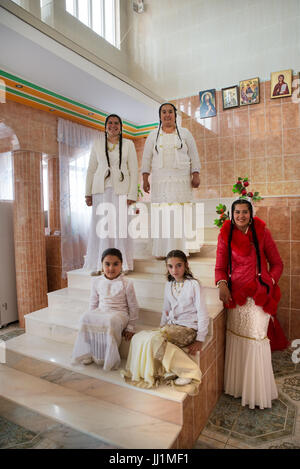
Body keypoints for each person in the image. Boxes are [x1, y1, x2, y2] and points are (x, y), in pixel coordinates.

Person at [215, 199, 289, 409]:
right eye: (237, 212)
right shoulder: (225, 235)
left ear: (250, 213)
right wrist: (221, 284)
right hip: (236, 294)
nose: (241, 216)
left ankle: (257, 393)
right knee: (238, 338)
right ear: (232, 214)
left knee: (256, 338)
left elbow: (277, 263)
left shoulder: (262, 232)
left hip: (259, 294)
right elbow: (220, 267)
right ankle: (238, 388)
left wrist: (269, 281)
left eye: (245, 212)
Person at [121, 250, 209, 394]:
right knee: (140, 338)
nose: (174, 270)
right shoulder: (169, 285)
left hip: (188, 329)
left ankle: (188, 371)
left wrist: (200, 338)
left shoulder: (193, 285)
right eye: (170, 266)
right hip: (171, 327)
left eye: (178, 265)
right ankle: (167, 369)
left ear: (186, 265)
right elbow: (166, 309)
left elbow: (202, 312)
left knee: (155, 341)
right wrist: (161, 328)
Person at [141, 103, 201, 258]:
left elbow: (194, 154)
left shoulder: (185, 133)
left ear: (175, 115)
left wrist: (196, 173)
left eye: (170, 112)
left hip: (181, 180)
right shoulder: (152, 135)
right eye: (163, 112)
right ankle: (163, 250)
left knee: (181, 212)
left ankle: (183, 248)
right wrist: (145, 178)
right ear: (160, 116)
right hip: (160, 181)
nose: (167, 115)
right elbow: (146, 158)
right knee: (164, 213)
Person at [84, 114, 138, 273]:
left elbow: (134, 170)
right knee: (101, 227)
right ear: (105, 126)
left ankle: (122, 264)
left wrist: (132, 194)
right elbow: (91, 169)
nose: (113, 126)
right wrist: (87, 193)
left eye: (116, 123)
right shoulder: (97, 143)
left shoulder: (128, 144)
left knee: (120, 226)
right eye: (110, 123)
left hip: (121, 191)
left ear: (121, 127)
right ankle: (99, 264)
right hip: (100, 191)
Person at [72, 248, 139, 371]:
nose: (111, 268)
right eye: (107, 264)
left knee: (110, 321)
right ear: (102, 265)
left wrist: (131, 326)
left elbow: (133, 307)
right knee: (85, 317)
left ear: (121, 265)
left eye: (115, 264)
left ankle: (107, 357)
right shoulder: (96, 281)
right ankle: (89, 352)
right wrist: (91, 315)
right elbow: (93, 303)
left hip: (119, 313)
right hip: (102, 310)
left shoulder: (127, 283)